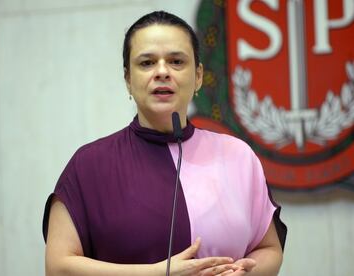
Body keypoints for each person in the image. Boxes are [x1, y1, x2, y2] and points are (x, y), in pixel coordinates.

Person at [43, 11, 287, 276]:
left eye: (176, 61)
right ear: (128, 79)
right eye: (147, 63)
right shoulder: (89, 165)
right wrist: (159, 273)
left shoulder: (238, 156)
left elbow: (269, 249)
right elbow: (58, 267)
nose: (162, 72)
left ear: (198, 76)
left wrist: (247, 272)